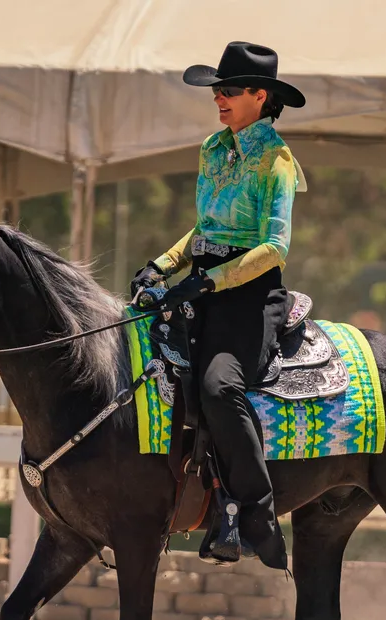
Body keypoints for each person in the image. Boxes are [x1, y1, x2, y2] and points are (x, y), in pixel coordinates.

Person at [131, 41, 307, 570]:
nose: (219, 100)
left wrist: (210, 284)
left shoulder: (278, 161)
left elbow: (274, 246)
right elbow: (205, 229)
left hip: (250, 297)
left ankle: (257, 510)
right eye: (217, 91)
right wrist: (163, 265)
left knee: (217, 385)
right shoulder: (212, 147)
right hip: (202, 284)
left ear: (260, 96)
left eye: (229, 91)